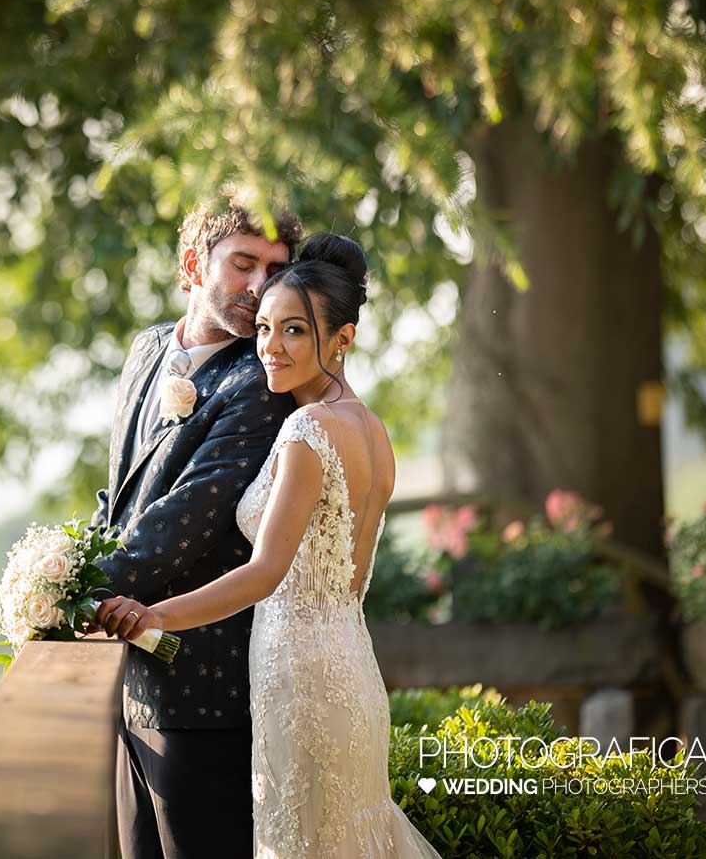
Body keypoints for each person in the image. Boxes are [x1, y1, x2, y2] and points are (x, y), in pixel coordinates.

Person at [95, 233, 442, 859]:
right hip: (350, 664)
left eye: (295, 332)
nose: (270, 349)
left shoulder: (307, 431)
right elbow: (351, 577)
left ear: (342, 339)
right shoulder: (373, 430)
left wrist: (153, 616)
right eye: (263, 329)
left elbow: (263, 574)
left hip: (297, 676)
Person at [88, 192, 301, 859]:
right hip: (131, 683)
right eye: (243, 264)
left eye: (274, 271)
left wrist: (65, 596)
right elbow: (119, 496)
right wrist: (68, 566)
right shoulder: (146, 349)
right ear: (191, 265)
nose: (258, 287)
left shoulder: (263, 384)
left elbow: (185, 521)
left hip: (208, 689)